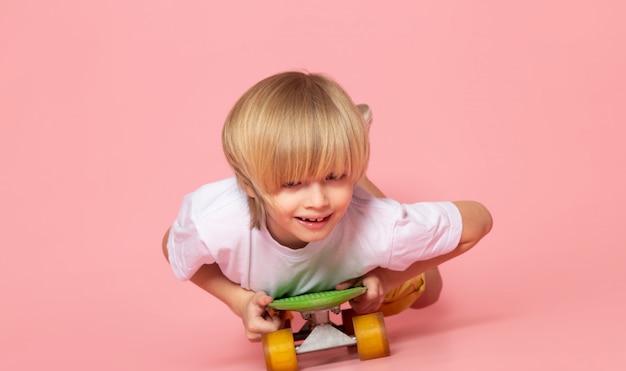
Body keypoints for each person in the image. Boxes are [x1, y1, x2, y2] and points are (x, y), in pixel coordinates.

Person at [162, 71, 492, 342]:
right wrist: (239, 301)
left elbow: (480, 220)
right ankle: (347, 165)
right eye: (292, 183)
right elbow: (172, 246)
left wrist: (387, 278)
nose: (318, 201)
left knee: (430, 294)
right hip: (274, 287)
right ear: (247, 185)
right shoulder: (218, 221)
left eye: (332, 177)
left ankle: (355, 169)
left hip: (355, 260)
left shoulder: (376, 227)